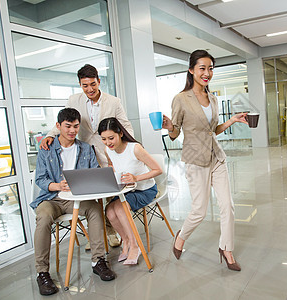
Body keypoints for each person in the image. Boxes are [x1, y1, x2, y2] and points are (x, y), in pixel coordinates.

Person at [162, 49, 247, 271]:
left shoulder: (213, 98)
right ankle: (181, 237)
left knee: (227, 205)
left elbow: (212, 130)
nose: (207, 73)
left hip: (216, 157)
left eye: (210, 68)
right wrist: (170, 127)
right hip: (195, 159)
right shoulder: (180, 99)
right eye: (202, 68)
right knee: (199, 210)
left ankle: (226, 249)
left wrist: (232, 121)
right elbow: (175, 133)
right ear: (191, 70)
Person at [40, 64, 134, 248]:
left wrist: (130, 147)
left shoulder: (113, 102)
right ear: (80, 85)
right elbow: (61, 123)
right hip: (83, 155)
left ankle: (111, 231)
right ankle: (97, 235)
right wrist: (50, 135)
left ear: (99, 81)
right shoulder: (74, 99)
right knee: (91, 196)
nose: (89, 89)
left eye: (93, 84)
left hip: (107, 151)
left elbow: (125, 125)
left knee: (109, 194)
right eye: (85, 85)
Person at [31, 108, 115, 296]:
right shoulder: (46, 149)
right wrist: (56, 185)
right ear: (58, 126)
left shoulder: (86, 148)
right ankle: (42, 272)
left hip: (77, 199)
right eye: (67, 126)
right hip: (51, 199)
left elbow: (94, 173)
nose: (72, 130)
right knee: (43, 218)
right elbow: (40, 179)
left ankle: (98, 261)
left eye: (75, 126)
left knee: (94, 210)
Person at [97, 117, 162, 265]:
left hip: (145, 190)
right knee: (109, 211)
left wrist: (136, 178)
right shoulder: (108, 150)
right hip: (125, 191)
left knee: (120, 208)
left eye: (111, 138)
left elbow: (158, 170)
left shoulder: (135, 148)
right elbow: (112, 165)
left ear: (120, 133)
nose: (108, 143)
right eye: (104, 139)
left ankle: (134, 246)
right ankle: (125, 241)